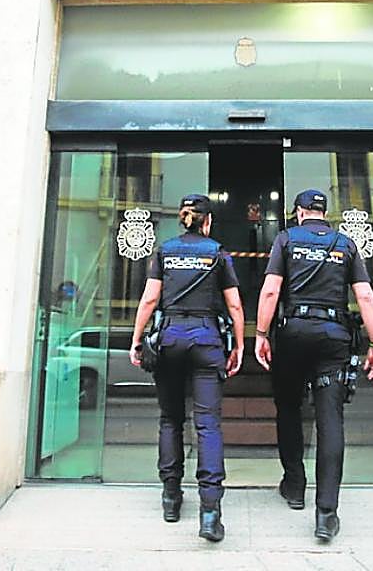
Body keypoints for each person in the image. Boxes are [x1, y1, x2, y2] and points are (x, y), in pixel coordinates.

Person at [254, 189, 373, 542]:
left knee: (289, 408)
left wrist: (261, 334)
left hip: (294, 333)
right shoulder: (345, 244)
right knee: (330, 421)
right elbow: (365, 295)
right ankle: (326, 514)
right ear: (324, 213)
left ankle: (295, 485)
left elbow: (270, 291)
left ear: (298, 213)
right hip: (333, 337)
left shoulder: (285, 240)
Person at [130, 193, 245, 542]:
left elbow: (150, 299)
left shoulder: (164, 251)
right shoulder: (219, 253)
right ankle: (210, 511)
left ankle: (171, 496)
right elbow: (235, 306)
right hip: (207, 339)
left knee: (170, 419)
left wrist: (136, 340)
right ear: (207, 221)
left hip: (170, 338)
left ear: (183, 219)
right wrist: (240, 345)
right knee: (208, 423)